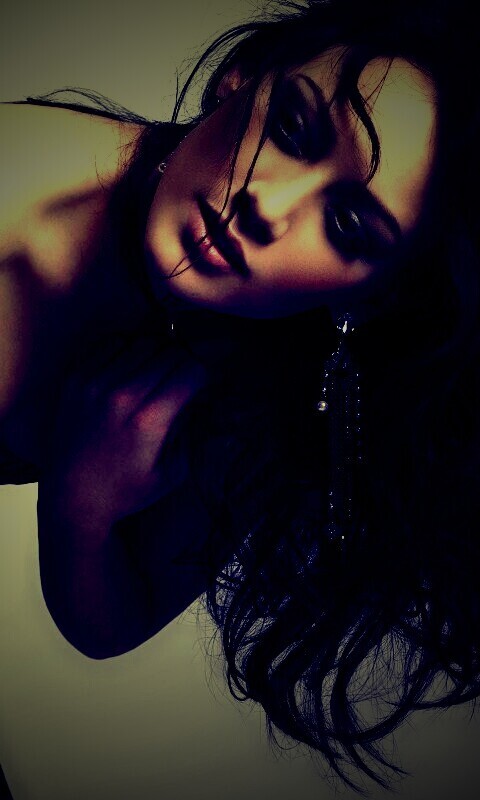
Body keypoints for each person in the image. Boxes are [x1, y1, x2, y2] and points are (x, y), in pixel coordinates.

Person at [0, 0, 478, 790]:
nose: (269, 206)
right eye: (292, 128)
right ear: (241, 78)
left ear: (369, 295)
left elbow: (110, 622)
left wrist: (81, 504)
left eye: (349, 225)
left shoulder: (259, 390)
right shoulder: (17, 178)